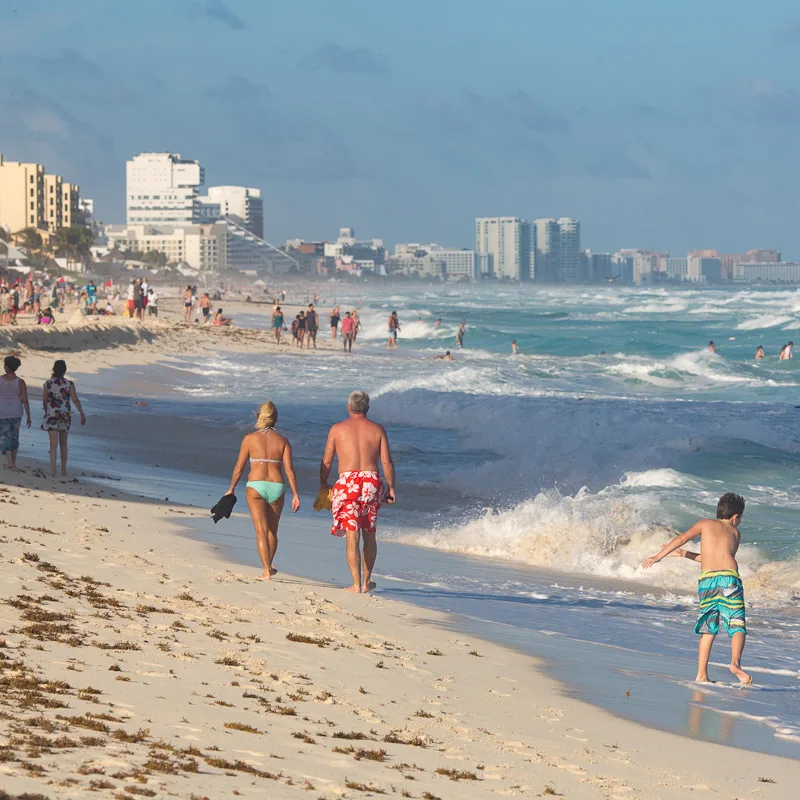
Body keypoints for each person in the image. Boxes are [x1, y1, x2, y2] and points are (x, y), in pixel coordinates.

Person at [642, 493, 751, 686]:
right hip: (729, 580)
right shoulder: (735, 533)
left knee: (708, 628)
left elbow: (685, 539)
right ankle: (735, 664)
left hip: (707, 581)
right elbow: (722, 556)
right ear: (735, 517)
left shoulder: (705, 524)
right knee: (736, 623)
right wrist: (681, 555)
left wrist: (659, 556)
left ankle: (701, 674)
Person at [320, 391, 395, 593]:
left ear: (348, 407)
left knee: (352, 536)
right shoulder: (377, 430)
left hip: (347, 483)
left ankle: (355, 584)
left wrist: (323, 483)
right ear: (367, 408)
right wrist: (391, 487)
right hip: (371, 482)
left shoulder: (337, 429)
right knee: (369, 533)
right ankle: (366, 581)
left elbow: (327, 461)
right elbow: (386, 461)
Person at [224, 401, 300, 580]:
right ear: (275, 419)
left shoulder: (249, 439)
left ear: (259, 417)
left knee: (260, 530)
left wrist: (231, 488)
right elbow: (289, 470)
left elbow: (239, 468)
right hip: (277, 486)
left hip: (255, 486)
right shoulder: (282, 441)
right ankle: (269, 565)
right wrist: (296, 494)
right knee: (272, 531)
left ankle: (266, 570)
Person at [42, 360, 85, 477]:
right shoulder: (69, 384)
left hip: (51, 414)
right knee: (63, 444)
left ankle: (53, 470)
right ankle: (63, 470)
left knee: (53, 443)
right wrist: (81, 413)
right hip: (65, 414)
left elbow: (45, 401)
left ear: (53, 369)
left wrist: (47, 411)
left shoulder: (48, 383)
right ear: (65, 370)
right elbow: (75, 400)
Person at [0, 356, 31, 471]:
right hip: (16, 411)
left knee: (6, 436)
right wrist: (29, 415)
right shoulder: (20, 382)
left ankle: (9, 462)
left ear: (6, 367)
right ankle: (13, 463)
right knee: (15, 436)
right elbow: (25, 400)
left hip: (3, 411)